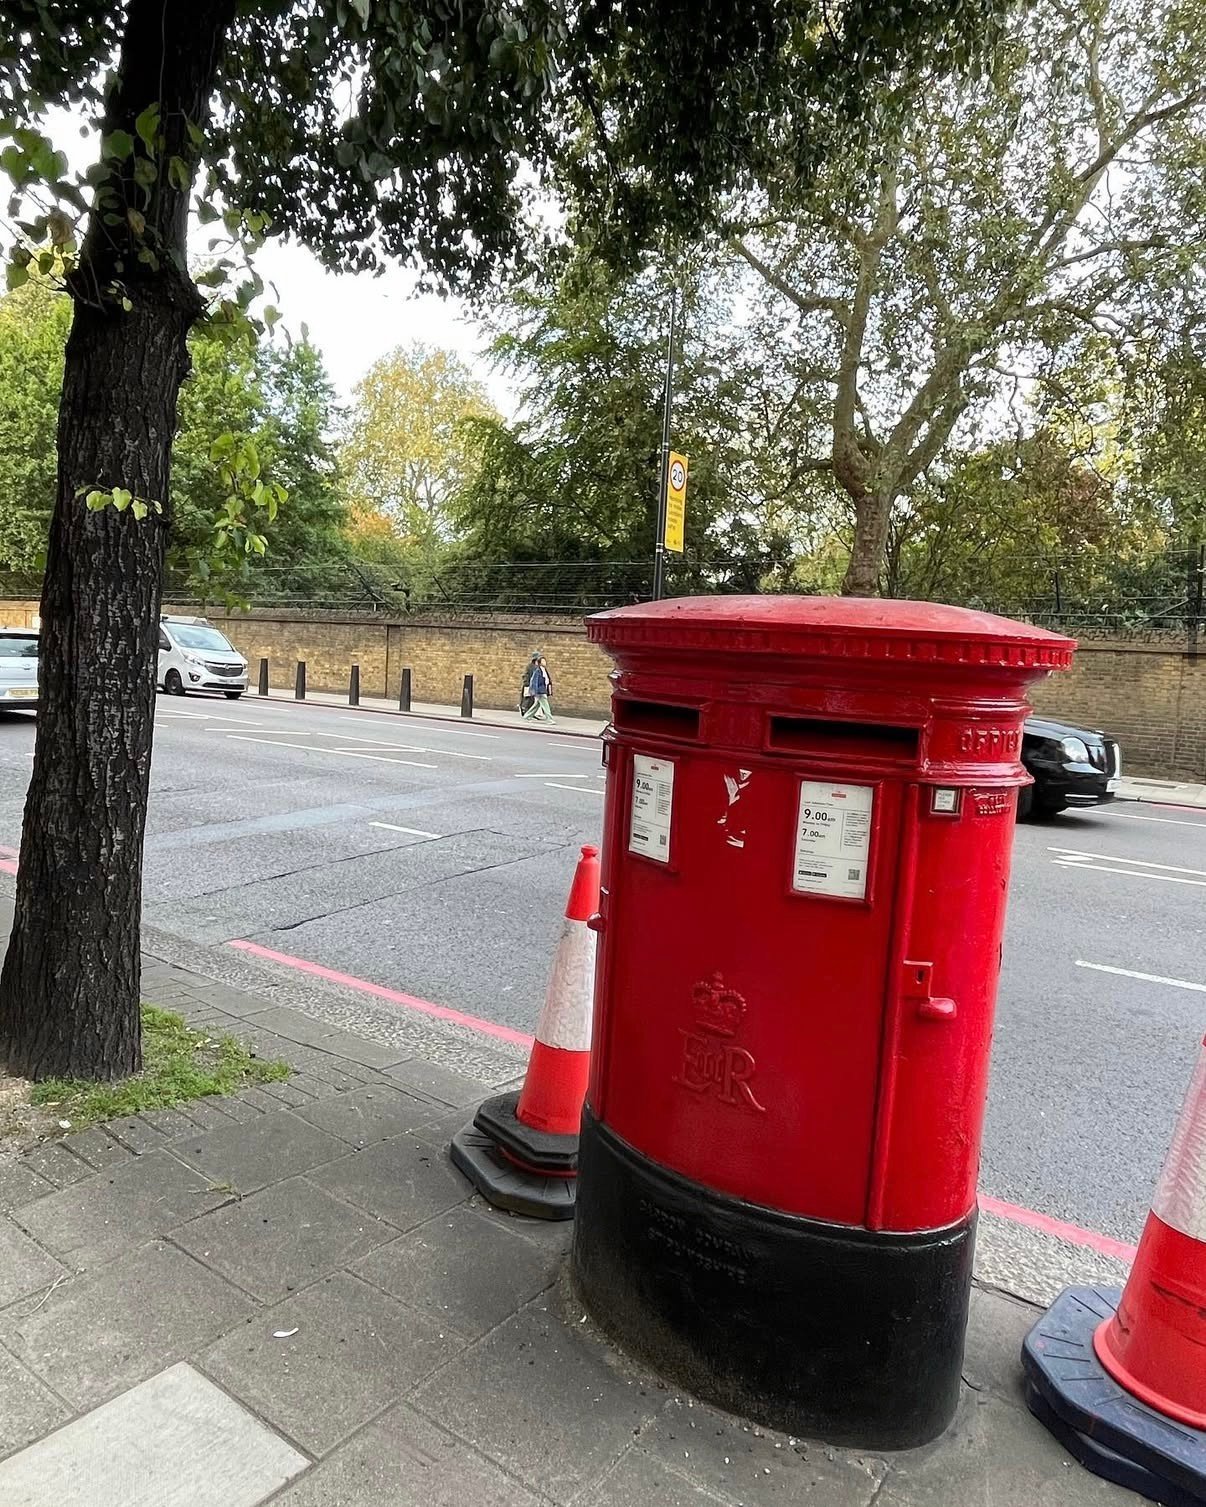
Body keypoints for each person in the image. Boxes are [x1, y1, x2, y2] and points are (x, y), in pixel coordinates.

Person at [523, 655, 553, 722]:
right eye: (543, 661)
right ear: (539, 663)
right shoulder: (537, 671)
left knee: (536, 706)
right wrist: (535, 691)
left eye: (545, 661)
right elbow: (534, 681)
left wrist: (549, 689)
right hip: (540, 691)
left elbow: (547, 680)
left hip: (544, 690)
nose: (545, 662)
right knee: (546, 706)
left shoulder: (544, 670)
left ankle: (527, 716)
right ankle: (550, 719)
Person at [519, 651, 541, 715]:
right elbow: (525, 675)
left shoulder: (538, 666)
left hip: (534, 686)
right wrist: (527, 683)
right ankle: (524, 710)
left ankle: (530, 712)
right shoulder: (529, 666)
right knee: (527, 699)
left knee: (532, 700)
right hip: (529, 685)